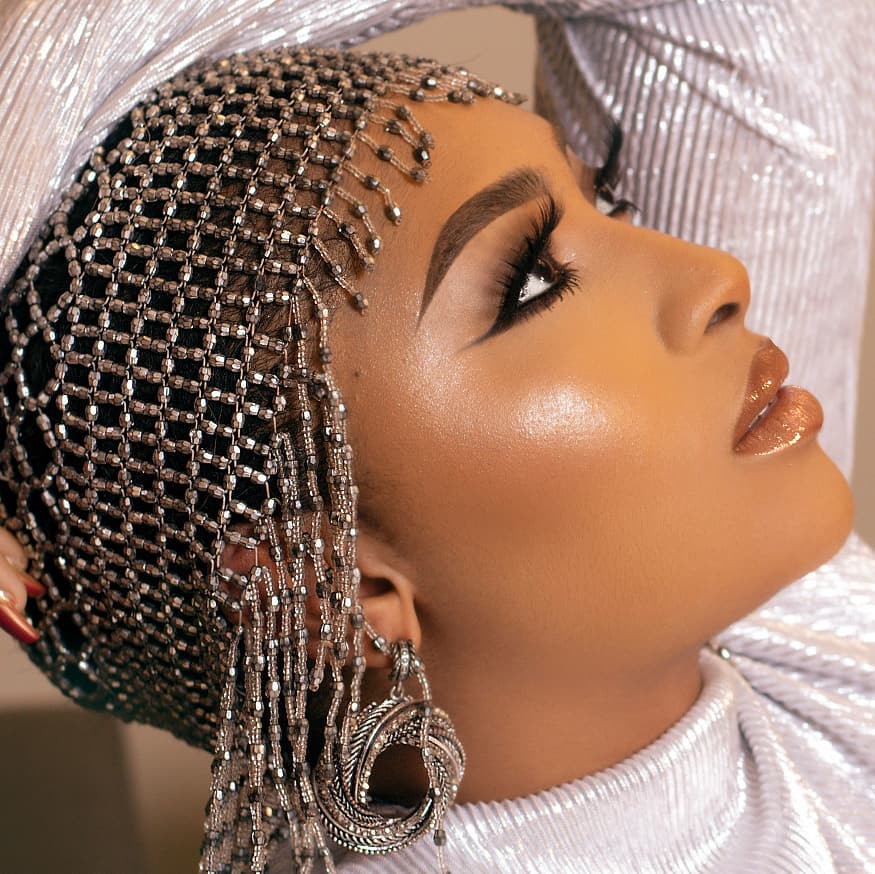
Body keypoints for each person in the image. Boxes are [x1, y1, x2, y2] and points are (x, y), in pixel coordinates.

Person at [0, 4, 873, 874]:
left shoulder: (786, 637)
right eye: (532, 282)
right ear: (324, 593)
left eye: (606, 199)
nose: (717, 274)